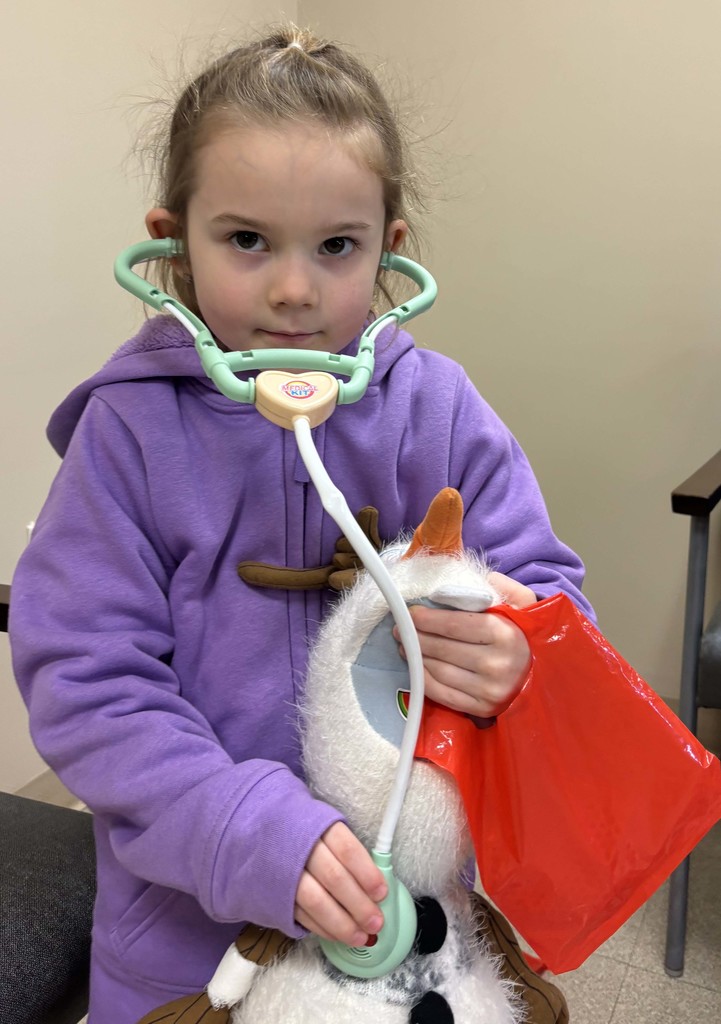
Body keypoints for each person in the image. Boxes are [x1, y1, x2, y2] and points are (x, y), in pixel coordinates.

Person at [10, 24, 593, 1024]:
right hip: (184, 946)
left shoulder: (438, 410)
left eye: (336, 246)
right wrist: (243, 827)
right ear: (173, 242)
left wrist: (519, 651)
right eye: (246, 240)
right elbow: (85, 678)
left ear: (390, 249)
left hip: (399, 929)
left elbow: (547, 589)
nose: (292, 289)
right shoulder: (128, 433)